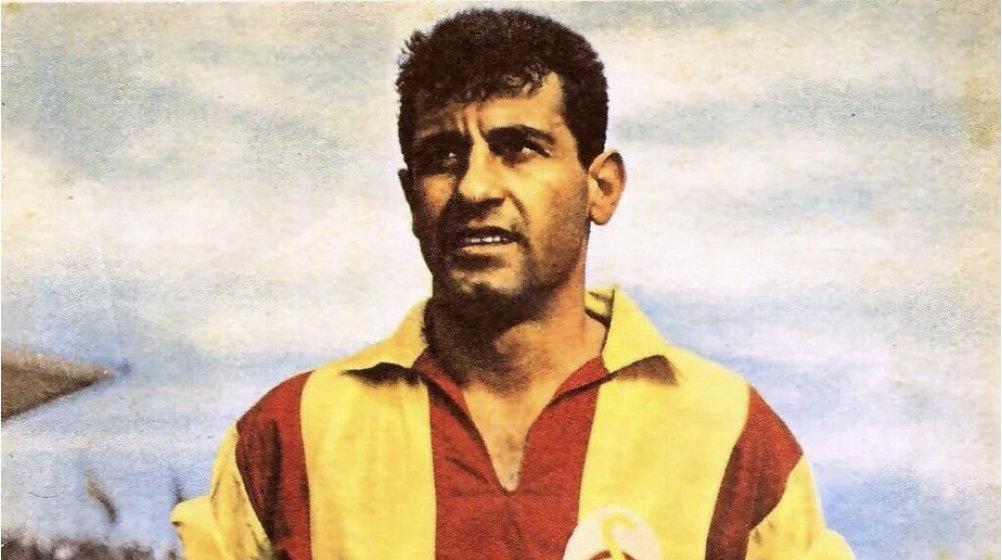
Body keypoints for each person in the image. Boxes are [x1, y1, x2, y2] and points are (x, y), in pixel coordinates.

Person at [171, 8, 853, 560]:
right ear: (412, 198)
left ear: (601, 187)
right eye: (443, 156)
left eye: (518, 148)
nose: (474, 187)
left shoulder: (730, 433)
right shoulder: (289, 434)